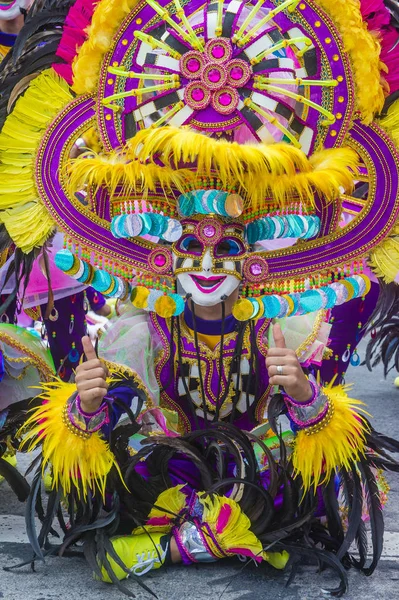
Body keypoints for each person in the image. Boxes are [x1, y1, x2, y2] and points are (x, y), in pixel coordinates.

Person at [2, 0, 399, 596]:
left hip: (257, 477)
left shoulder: (282, 332)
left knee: (288, 469)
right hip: (169, 466)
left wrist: (304, 395)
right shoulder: (138, 334)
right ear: (160, 246)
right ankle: (207, 530)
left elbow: (318, 438)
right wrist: (85, 409)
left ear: (259, 248)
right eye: (191, 242)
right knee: (140, 460)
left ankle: (180, 539)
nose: (209, 264)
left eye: (228, 244)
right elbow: (111, 428)